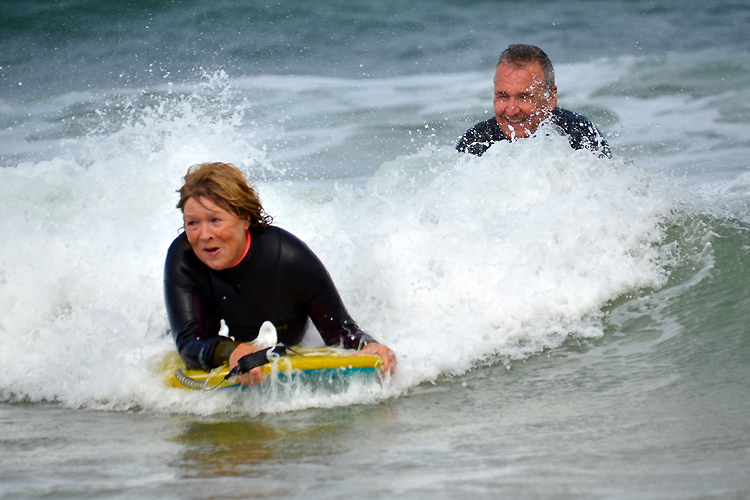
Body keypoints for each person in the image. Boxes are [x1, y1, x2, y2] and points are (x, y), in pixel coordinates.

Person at [164, 162, 396, 385]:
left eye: (215, 220)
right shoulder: (183, 258)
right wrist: (231, 352)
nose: (204, 235)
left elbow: (340, 333)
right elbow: (189, 344)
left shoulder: (288, 258)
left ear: (244, 218)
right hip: (220, 345)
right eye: (192, 223)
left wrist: (369, 346)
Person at [456, 44, 611, 158]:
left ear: (550, 99)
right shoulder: (476, 141)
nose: (511, 110)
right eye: (503, 96)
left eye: (523, 97)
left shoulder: (580, 135)